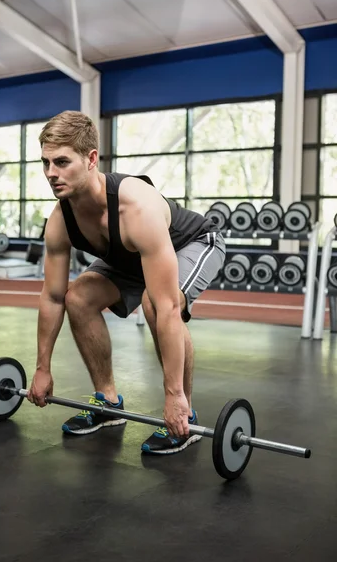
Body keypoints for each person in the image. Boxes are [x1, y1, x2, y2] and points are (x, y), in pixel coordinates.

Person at [27, 110, 226, 455]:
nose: (51, 174)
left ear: (91, 159)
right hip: (131, 257)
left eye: (61, 162)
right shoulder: (61, 219)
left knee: (156, 301)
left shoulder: (135, 207)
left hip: (192, 243)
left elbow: (165, 307)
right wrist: (42, 368)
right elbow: (53, 297)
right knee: (78, 298)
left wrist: (172, 394)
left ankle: (185, 416)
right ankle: (107, 402)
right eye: (45, 163)